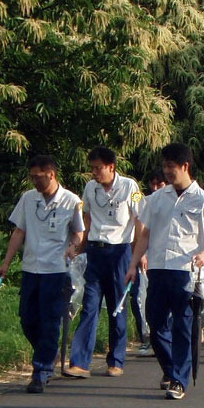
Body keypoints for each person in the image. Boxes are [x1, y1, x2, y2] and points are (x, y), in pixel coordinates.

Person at [125, 143, 204, 399]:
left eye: (171, 166)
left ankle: (179, 380)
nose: (167, 171)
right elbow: (145, 233)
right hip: (157, 269)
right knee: (154, 324)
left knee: (182, 327)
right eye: (165, 166)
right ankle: (169, 369)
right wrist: (133, 263)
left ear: (185, 167)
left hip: (186, 273)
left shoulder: (203, 201)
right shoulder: (156, 198)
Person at [0, 155, 85, 394]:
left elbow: (78, 233)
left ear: (52, 174)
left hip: (56, 270)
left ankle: (41, 371)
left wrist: (73, 247)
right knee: (27, 318)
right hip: (31, 268)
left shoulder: (71, 201)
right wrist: (6, 263)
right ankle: (48, 352)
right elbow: (19, 231)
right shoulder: (28, 198)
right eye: (32, 177)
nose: (35, 181)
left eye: (39, 177)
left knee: (49, 321)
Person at [63, 148, 141, 379]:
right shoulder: (90, 188)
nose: (94, 172)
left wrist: (138, 255)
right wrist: (80, 246)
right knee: (90, 306)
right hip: (95, 252)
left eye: (98, 168)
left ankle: (116, 360)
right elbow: (86, 218)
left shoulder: (130, 187)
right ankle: (80, 362)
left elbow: (140, 222)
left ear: (111, 167)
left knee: (117, 307)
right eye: (92, 168)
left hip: (120, 253)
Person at [133, 169, 167, 358]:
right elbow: (141, 230)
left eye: (159, 184)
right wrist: (140, 256)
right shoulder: (145, 201)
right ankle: (147, 338)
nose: (154, 188)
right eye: (152, 184)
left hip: (168, 260)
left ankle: (163, 339)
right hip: (146, 256)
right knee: (141, 299)